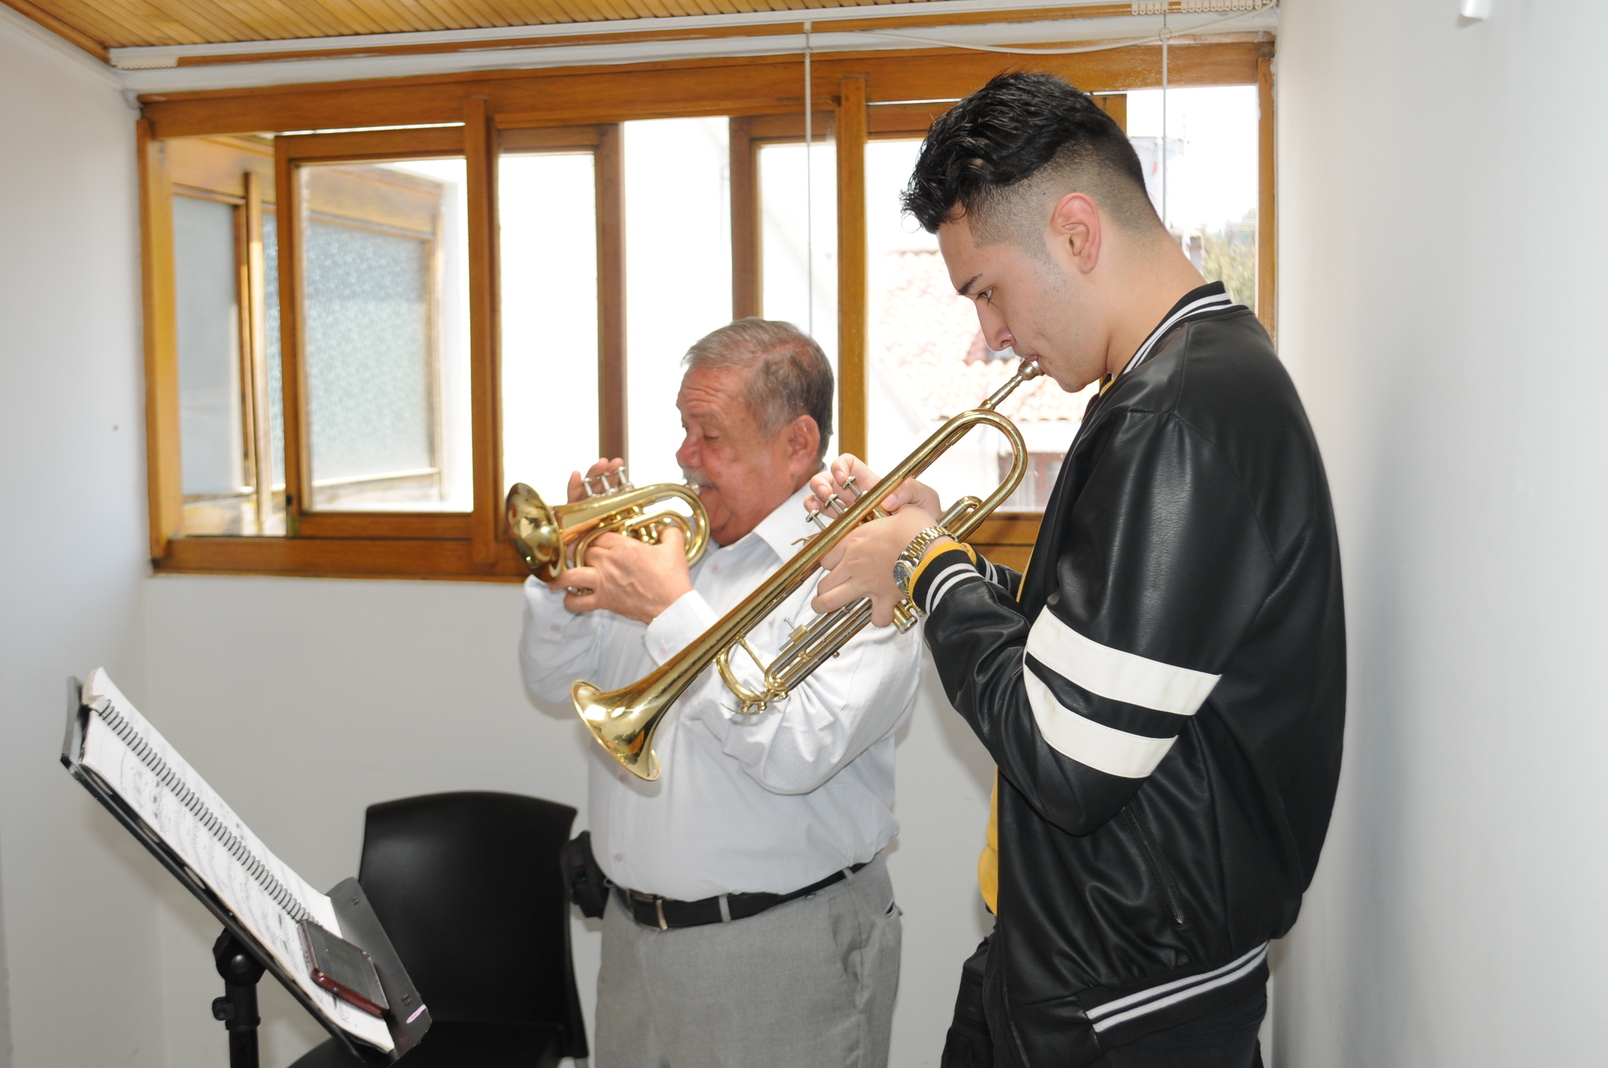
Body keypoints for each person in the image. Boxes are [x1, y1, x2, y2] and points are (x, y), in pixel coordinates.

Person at [807, 72, 1345, 1068]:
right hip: (1086, 959)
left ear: (1076, 233)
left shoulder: (1182, 413)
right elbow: (1101, 654)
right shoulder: (1176, 383)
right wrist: (941, 554)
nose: (989, 338)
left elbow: (1067, 752)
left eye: (987, 292)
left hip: (1128, 1002)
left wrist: (927, 567)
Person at [520, 318, 921, 1068]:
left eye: (711, 435)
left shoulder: (861, 563)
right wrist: (559, 574)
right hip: (633, 944)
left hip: (778, 952)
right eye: (683, 429)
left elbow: (798, 751)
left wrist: (672, 612)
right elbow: (550, 680)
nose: (684, 455)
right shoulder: (674, 547)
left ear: (797, 443)